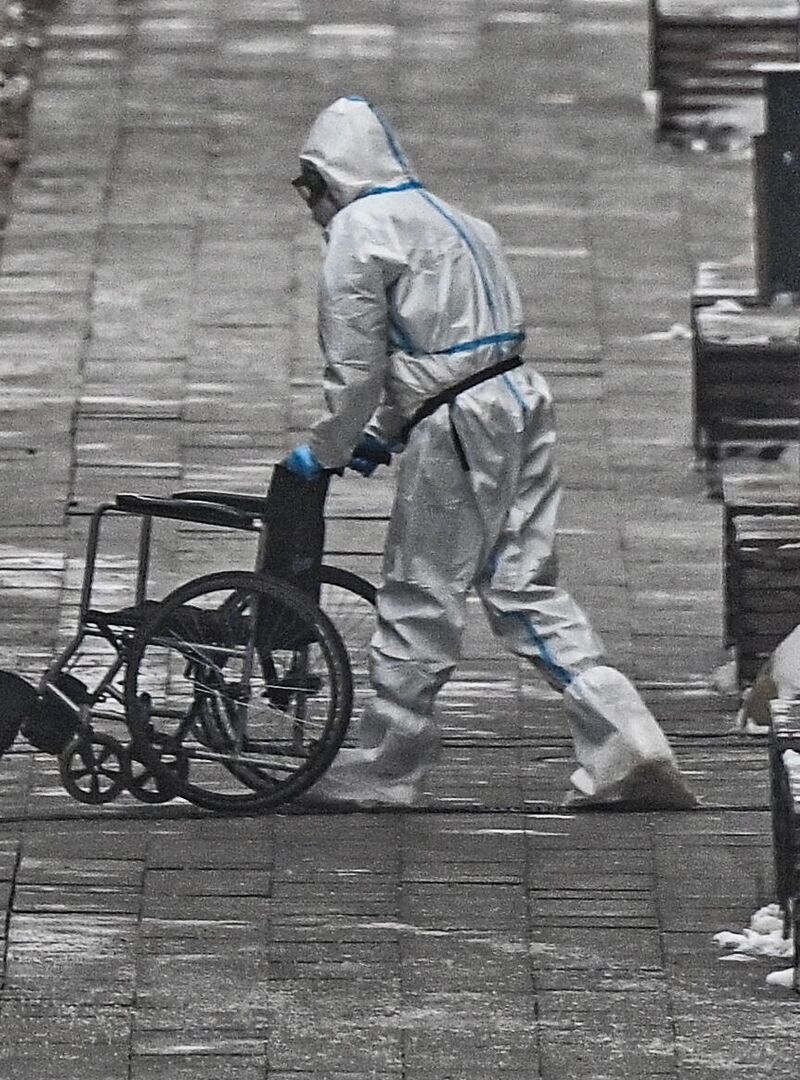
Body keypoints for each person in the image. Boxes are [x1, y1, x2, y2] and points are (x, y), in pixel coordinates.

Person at [280, 96, 697, 810]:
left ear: (327, 177)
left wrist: (328, 447)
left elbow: (356, 365)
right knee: (524, 585)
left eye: (308, 192)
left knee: (420, 590)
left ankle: (389, 767)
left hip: (459, 426)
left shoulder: (360, 229)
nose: (312, 211)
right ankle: (628, 740)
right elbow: (451, 348)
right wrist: (388, 429)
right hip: (518, 401)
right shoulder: (462, 222)